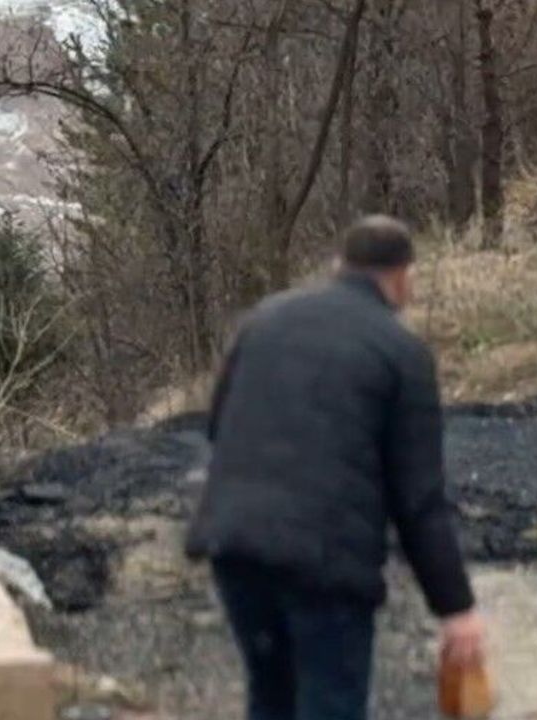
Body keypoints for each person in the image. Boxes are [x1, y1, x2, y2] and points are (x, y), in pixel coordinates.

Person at [186, 215, 485, 720]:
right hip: (324, 562)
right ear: (403, 276)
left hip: (235, 545)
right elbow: (419, 499)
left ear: (338, 265)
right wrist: (456, 608)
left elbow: (217, 426)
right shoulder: (402, 353)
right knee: (330, 704)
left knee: (270, 699)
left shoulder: (264, 319)